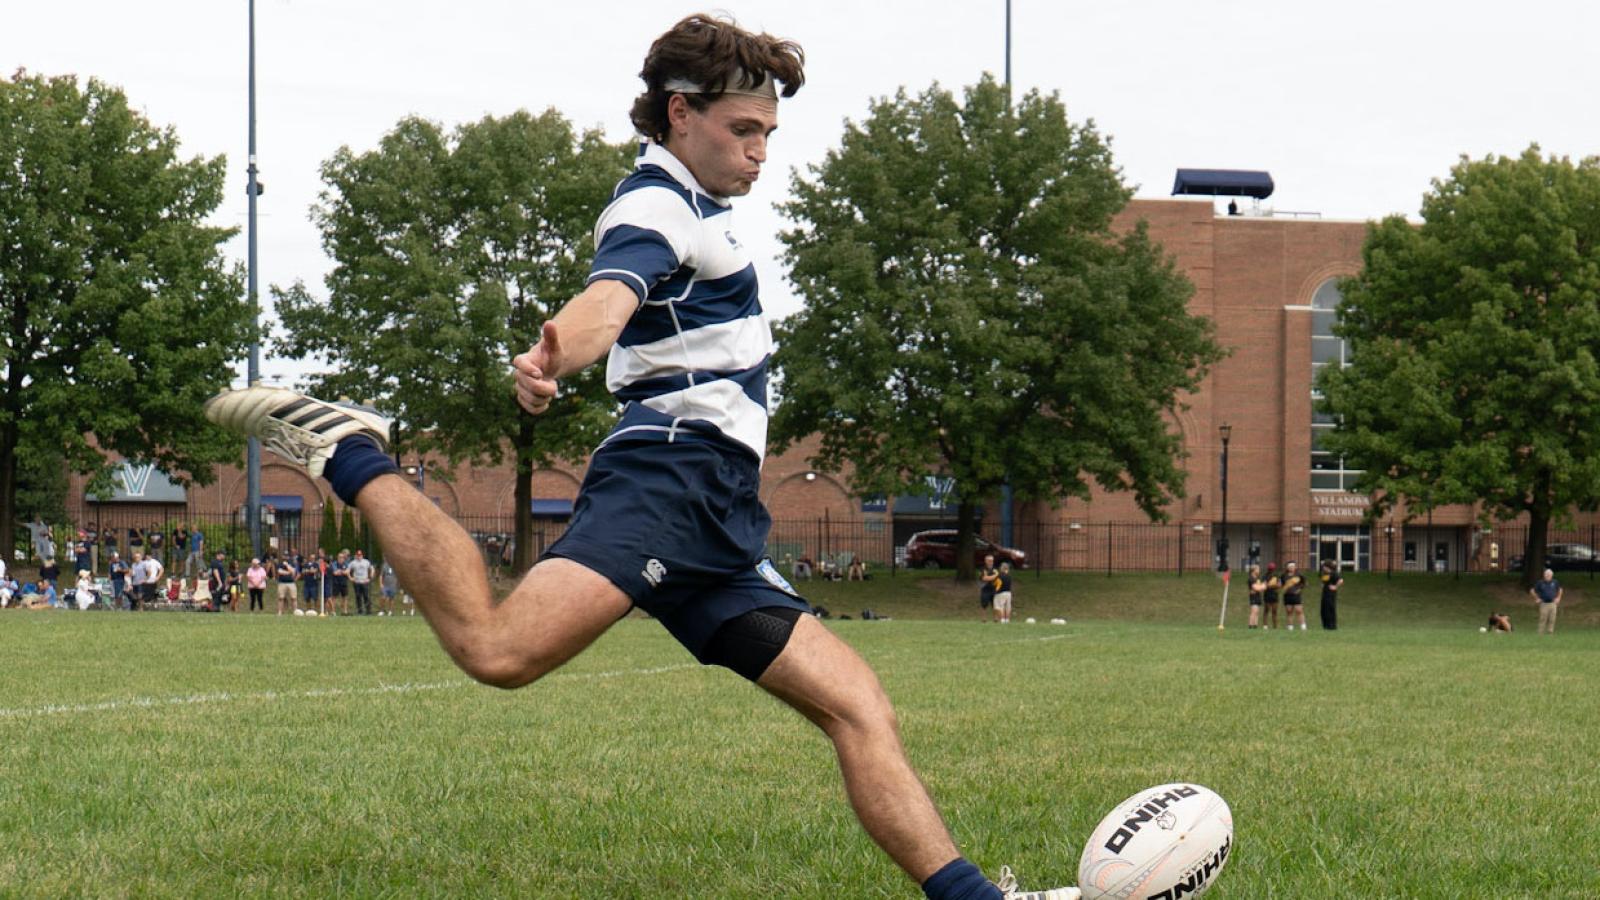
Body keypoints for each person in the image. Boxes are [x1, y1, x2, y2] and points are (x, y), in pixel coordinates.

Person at [201, 15, 1073, 899]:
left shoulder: (703, 211)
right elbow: (609, 299)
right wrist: (558, 354)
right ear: (679, 113)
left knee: (857, 704)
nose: (760, 152)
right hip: (670, 483)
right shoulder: (656, 205)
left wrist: (565, 359)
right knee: (498, 650)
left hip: (718, 519)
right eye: (743, 129)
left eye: (770, 133)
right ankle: (351, 453)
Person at [1530, 568, 1562, 635]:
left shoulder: (1555, 582)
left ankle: (1550, 632)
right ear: (1544, 575)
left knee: (1552, 619)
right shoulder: (1540, 583)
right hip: (1544, 603)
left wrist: (1558, 598)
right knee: (1543, 618)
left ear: (1552, 575)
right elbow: (1532, 591)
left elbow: (1560, 590)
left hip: (1553, 603)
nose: (1547, 576)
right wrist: (1537, 598)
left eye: (1549, 575)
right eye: (1546, 574)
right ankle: (1540, 633)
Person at [1281, 561, 1307, 631]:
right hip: (1287, 595)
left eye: (1293, 566)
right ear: (1287, 567)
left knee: (1299, 610)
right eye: (1290, 567)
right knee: (1289, 611)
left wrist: (1299, 590)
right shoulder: (1284, 576)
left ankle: (1303, 627)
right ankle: (1290, 627)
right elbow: (1282, 585)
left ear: (1295, 567)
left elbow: (1304, 583)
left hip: (1296, 595)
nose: (1291, 568)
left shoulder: (1299, 575)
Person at [1318, 559, 1343, 631]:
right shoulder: (1324, 574)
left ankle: (1332, 626)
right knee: (1323, 609)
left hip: (1331, 594)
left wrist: (1335, 586)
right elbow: (1323, 580)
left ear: (1328, 567)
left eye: (1324, 567)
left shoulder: (1334, 574)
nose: (1323, 568)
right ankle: (1325, 625)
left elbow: (1340, 580)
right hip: (1324, 593)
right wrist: (1322, 584)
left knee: (1330, 609)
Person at [348, 549, 374, 615]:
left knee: (366, 596)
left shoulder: (366, 562)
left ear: (362, 555)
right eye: (358, 555)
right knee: (358, 596)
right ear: (356, 555)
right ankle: (360, 610)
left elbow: (372, 569)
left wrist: (370, 577)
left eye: (360, 555)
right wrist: (350, 578)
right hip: (357, 582)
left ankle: (368, 610)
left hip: (364, 582)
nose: (359, 556)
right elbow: (347, 570)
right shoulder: (353, 562)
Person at [979, 554, 999, 622]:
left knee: (995, 604)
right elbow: (985, 578)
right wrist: (995, 575)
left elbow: (999, 578)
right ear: (986, 561)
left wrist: (993, 576)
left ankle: (996, 619)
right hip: (985, 589)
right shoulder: (982, 569)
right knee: (984, 604)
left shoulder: (996, 569)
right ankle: (984, 619)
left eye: (992, 561)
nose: (991, 562)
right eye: (989, 561)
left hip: (994, 589)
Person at [1261, 562, 1281, 630]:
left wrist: (1270, 585)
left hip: (1275, 595)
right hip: (1267, 595)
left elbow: (1279, 585)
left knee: (1274, 611)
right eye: (1270, 569)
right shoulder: (1264, 576)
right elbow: (1264, 585)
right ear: (1268, 569)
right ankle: (1265, 626)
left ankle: (1275, 627)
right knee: (1266, 610)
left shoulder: (1277, 576)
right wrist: (1274, 585)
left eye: (1272, 569)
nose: (1271, 570)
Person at [1246, 563, 1265, 628]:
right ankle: (1250, 625)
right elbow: (1256, 588)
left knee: (1257, 611)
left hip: (1257, 596)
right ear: (1254, 570)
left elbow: (1260, 588)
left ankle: (1255, 625)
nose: (1259, 570)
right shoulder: (1251, 578)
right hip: (1253, 597)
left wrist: (1261, 587)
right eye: (1258, 569)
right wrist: (1262, 586)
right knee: (1253, 611)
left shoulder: (1257, 578)